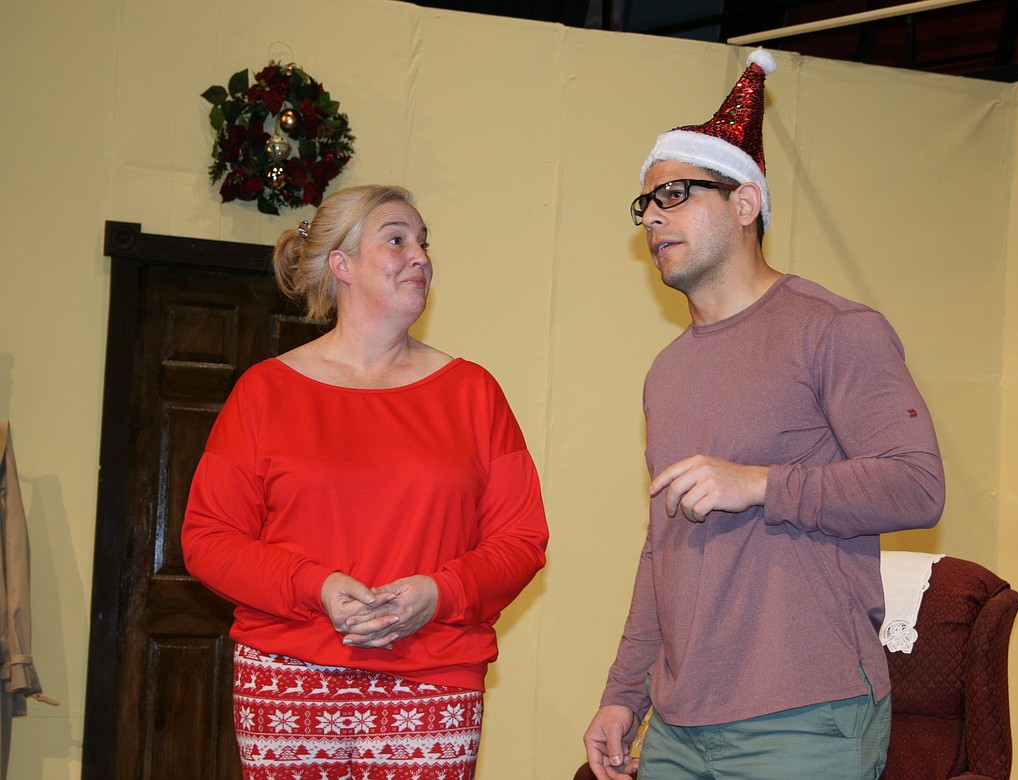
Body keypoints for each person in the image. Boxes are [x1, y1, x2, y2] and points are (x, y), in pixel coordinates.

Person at [583, 49, 944, 780]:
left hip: (807, 718)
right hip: (678, 726)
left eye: (676, 194)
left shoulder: (837, 329)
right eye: (645, 204)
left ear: (746, 203)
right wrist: (625, 693)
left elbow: (918, 485)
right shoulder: (666, 372)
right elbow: (662, 547)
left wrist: (759, 484)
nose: (652, 216)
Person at [182, 184, 548, 780]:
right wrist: (315, 585)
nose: (421, 257)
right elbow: (208, 538)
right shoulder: (264, 391)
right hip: (287, 675)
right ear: (341, 265)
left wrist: (441, 593)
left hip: (434, 675)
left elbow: (521, 539)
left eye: (425, 243)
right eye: (397, 240)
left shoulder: (474, 393)